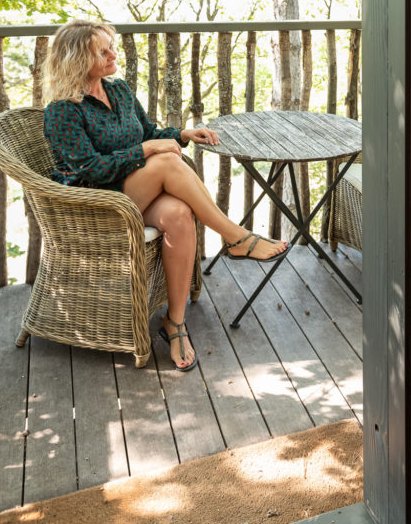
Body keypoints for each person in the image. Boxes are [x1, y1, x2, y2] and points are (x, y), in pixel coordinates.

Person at [42, 19, 287, 372]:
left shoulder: (119, 90)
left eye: (112, 45)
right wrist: (148, 149)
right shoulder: (63, 110)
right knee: (166, 162)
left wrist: (184, 133)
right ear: (78, 59)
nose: (114, 53)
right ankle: (237, 238)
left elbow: (150, 132)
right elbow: (88, 170)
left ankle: (175, 323)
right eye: (103, 51)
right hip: (96, 203)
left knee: (178, 215)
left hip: (134, 192)